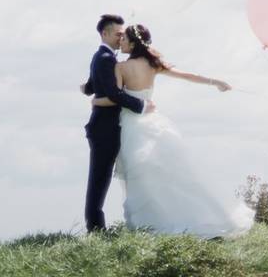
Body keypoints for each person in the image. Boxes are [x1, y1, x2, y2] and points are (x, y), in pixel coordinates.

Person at [90, 23, 255, 237]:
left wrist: (96, 101)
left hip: (132, 127)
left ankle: (148, 225)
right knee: (172, 175)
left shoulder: (120, 67)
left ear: (132, 42)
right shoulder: (153, 64)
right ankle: (182, 219)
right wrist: (216, 82)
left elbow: (116, 99)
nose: (120, 41)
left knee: (140, 179)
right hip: (154, 123)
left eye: (124, 39)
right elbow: (187, 75)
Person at [81, 14, 156, 232]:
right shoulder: (105, 58)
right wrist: (142, 105)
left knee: (103, 177)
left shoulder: (103, 57)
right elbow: (113, 94)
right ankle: (95, 229)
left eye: (123, 35)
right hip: (104, 128)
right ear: (105, 33)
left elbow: (93, 84)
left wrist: (86, 90)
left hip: (111, 126)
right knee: (99, 179)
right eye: (117, 34)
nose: (120, 38)